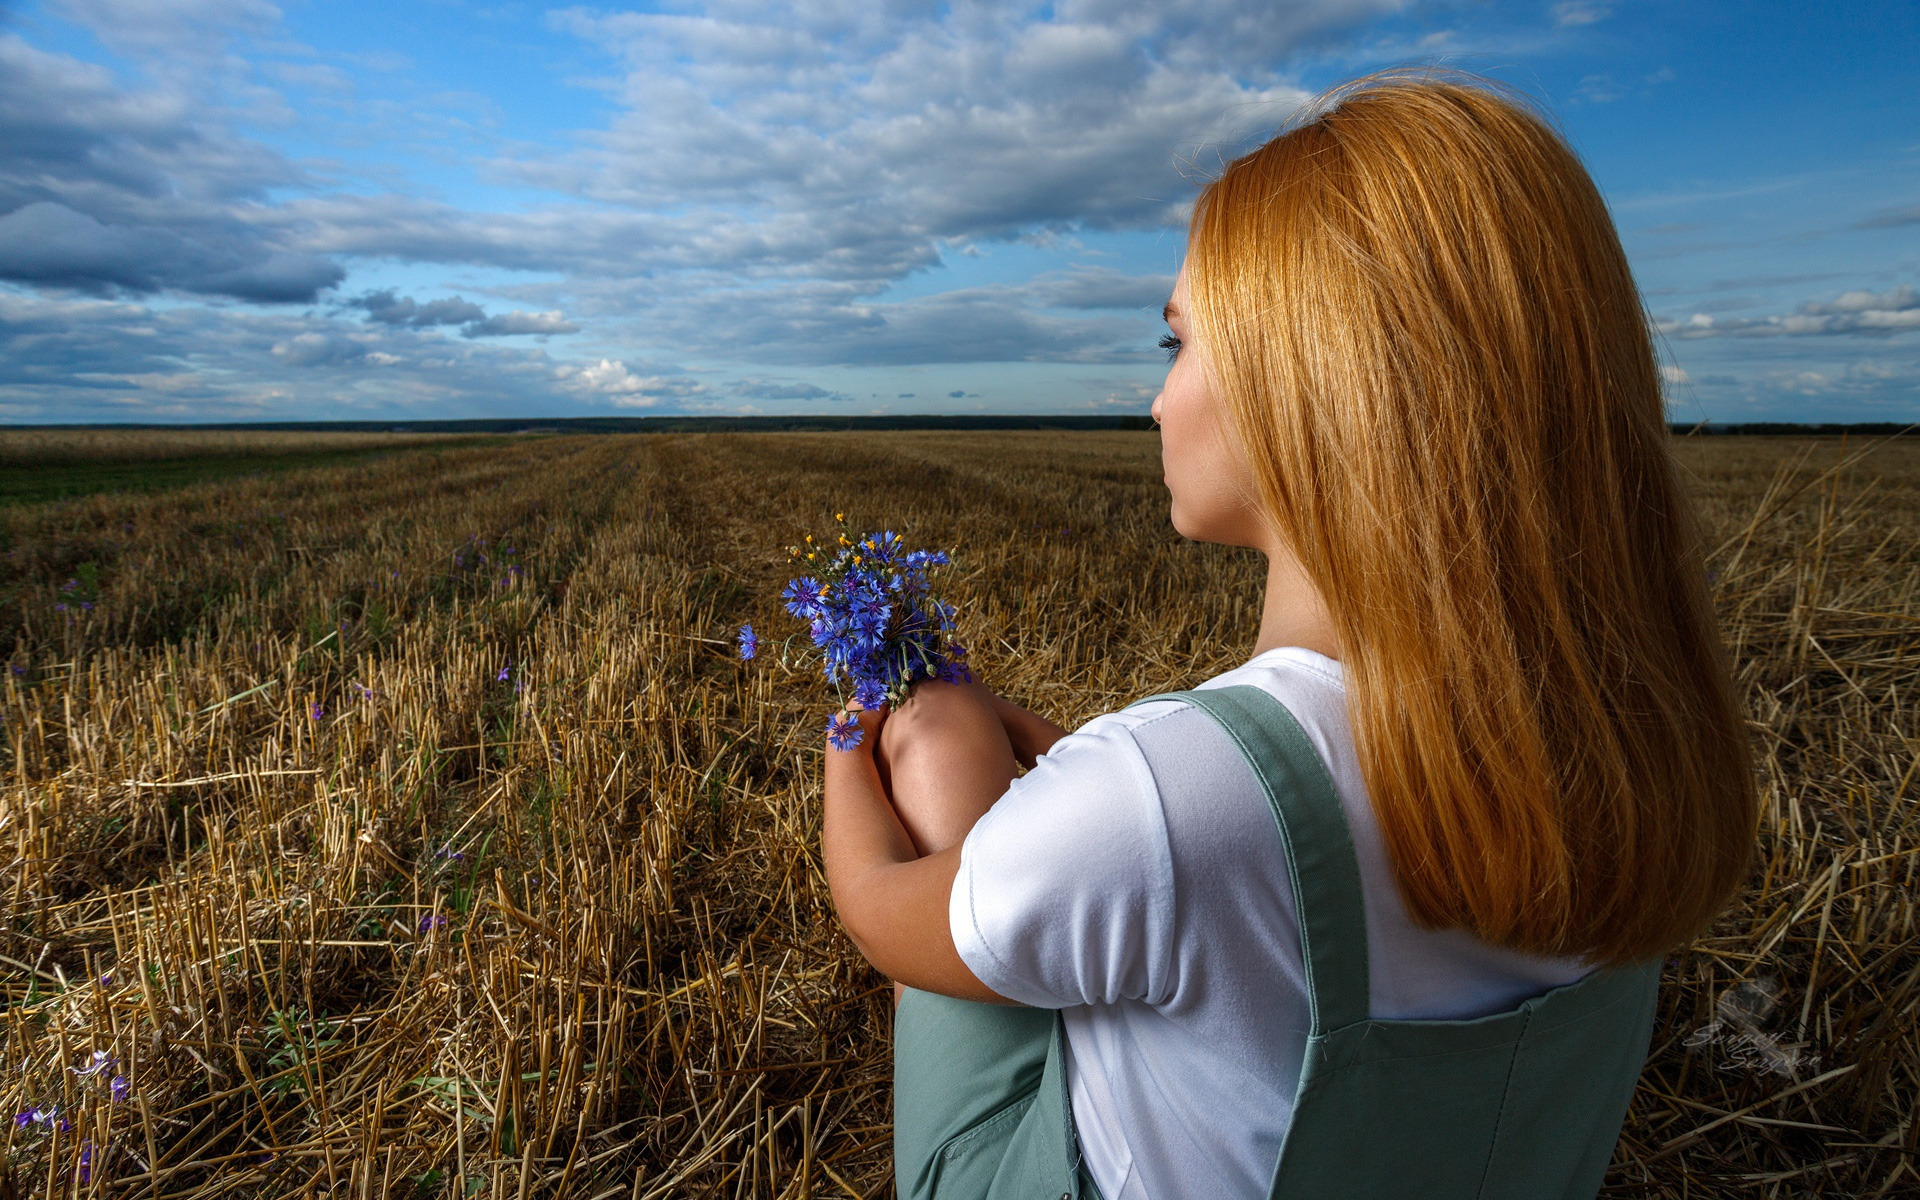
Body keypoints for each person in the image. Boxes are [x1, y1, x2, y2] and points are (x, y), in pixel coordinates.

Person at [820, 67, 1758, 1200]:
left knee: (941, 740)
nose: (1155, 403)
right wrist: (1110, 812)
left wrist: (863, 749)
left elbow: (883, 918)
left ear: (1302, 387)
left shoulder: (1170, 796)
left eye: (1177, 347)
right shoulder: (1633, 740)